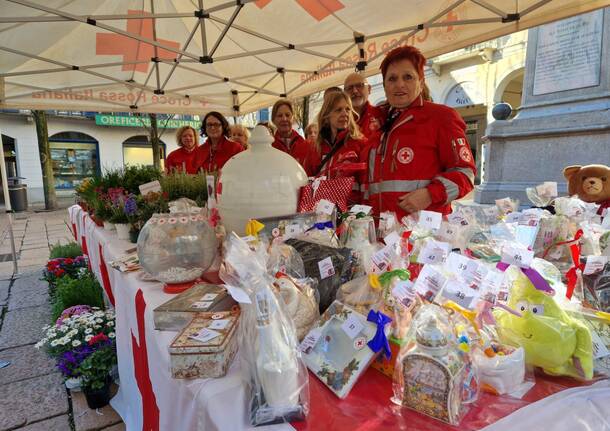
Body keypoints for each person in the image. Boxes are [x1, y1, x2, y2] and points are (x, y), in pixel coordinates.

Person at [366, 46, 476, 219]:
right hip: (381, 234)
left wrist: (430, 194)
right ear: (385, 85)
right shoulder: (380, 125)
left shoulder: (442, 117)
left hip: (422, 236)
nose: (399, 84)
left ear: (421, 82)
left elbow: (466, 174)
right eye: (392, 79)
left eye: (408, 77)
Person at [315, 90, 368, 204]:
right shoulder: (316, 147)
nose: (345, 113)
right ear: (326, 115)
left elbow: (366, 184)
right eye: (338, 110)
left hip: (351, 214)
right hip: (322, 213)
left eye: (348, 109)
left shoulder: (360, 144)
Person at [271, 99, 318, 176]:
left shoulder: (306, 145)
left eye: (287, 115)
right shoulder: (271, 147)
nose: (284, 119)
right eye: (280, 116)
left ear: (292, 118)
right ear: (273, 120)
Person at [344, 72, 385, 141]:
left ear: (369, 89)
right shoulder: (342, 122)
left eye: (359, 85)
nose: (355, 91)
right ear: (344, 94)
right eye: (349, 88)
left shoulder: (382, 114)